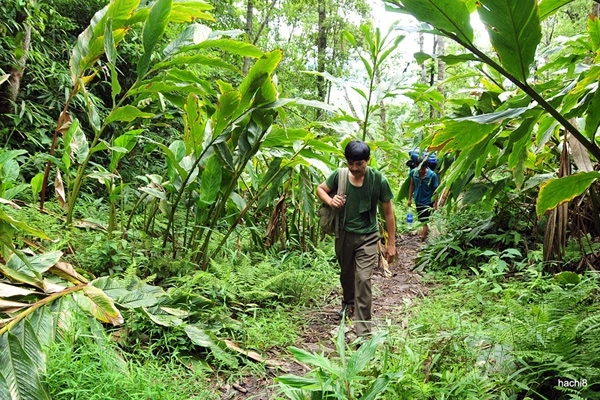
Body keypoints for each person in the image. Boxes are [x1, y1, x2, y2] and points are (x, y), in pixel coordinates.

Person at [316, 140, 396, 337]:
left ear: (368, 160)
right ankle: (348, 303)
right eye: (350, 163)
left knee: (363, 279)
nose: (354, 168)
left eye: (359, 163)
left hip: (368, 237)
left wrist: (391, 244)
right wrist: (330, 200)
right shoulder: (340, 176)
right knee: (347, 275)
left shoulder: (378, 180)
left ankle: (363, 330)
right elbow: (320, 189)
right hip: (344, 234)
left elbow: (388, 213)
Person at [407, 157, 439, 241]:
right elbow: (412, 185)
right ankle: (426, 232)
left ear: (426, 167)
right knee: (422, 219)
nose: (421, 170)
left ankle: (423, 237)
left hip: (428, 201)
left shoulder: (432, 175)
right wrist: (409, 199)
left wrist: (435, 204)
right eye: (419, 168)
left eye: (423, 169)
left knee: (425, 219)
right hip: (418, 199)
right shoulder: (413, 173)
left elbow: (436, 190)